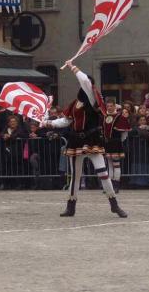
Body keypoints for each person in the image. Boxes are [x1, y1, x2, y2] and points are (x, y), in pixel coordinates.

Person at [43, 61, 127, 218]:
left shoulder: (94, 99)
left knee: (102, 172)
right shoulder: (74, 104)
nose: (86, 85)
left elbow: (86, 82)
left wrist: (72, 66)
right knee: (75, 176)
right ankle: (71, 206)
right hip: (76, 140)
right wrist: (49, 123)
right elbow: (66, 121)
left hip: (92, 139)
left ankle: (114, 205)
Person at [103, 101, 131, 193]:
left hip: (115, 143)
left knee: (116, 164)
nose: (109, 107)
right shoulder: (104, 116)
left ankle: (116, 185)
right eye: (108, 106)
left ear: (114, 106)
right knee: (109, 165)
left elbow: (124, 133)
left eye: (111, 106)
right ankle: (109, 186)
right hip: (107, 143)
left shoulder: (119, 117)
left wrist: (120, 141)